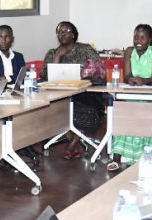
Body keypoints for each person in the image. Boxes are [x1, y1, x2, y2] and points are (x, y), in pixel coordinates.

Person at [43, 21, 106, 159]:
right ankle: (74, 140)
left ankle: (73, 142)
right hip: (60, 96)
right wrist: (58, 57)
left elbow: (99, 72)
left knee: (86, 109)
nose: (62, 34)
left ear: (73, 34)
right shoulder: (52, 53)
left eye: (66, 31)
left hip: (86, 93)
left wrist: (85, 76)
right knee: (55, 110)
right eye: (59, 32)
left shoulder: (86, 50)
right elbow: (46, 77)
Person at [108, 24, 152, 171]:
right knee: (123, 113)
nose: (138, 40)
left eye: (142, 37)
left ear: (150, 39)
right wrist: (131, 80)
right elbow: (126, 76)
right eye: (136, 37)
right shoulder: (129, 51)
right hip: (132, 93)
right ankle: (116, 158)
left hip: (151, 95)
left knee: (144, 112)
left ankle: (144, 157)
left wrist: (143, 81)